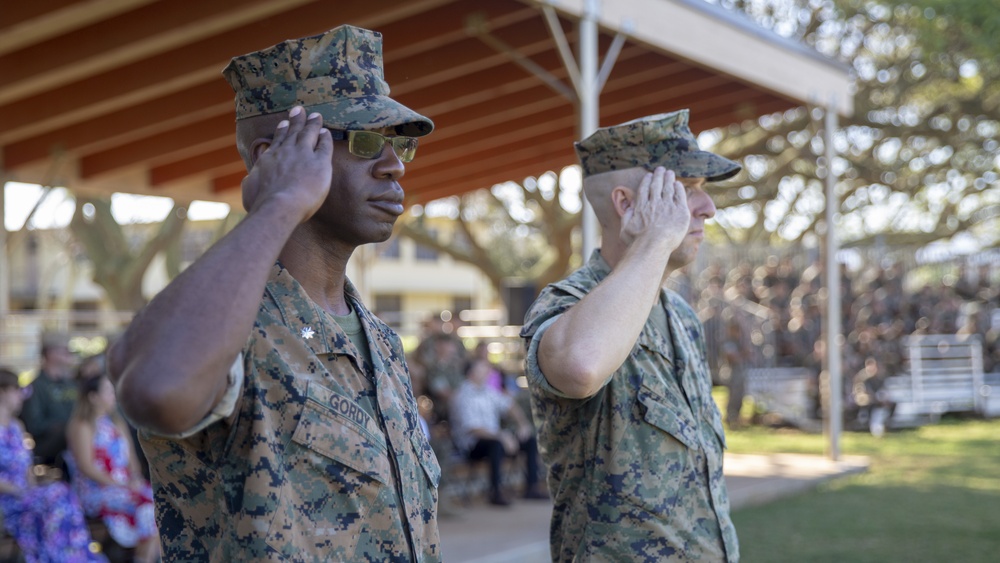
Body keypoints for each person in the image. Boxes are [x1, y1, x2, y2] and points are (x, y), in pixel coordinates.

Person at [107, 25, 441, 561]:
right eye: (364, 140)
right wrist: (279, 203)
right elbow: (156, 389)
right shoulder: (232, 327)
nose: (395, 165)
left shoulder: (378, 341)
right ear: (273, 156)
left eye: (400, 144)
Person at [520, 110, 742, 562]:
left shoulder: (678, 315)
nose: (707, 208)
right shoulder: (569, 303)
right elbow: (580, 365)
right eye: (685, 190)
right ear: (626, 205)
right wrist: (655, 241)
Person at [0, 367, 105, 563]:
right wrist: (20, 490)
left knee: (60, 494)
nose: (22, 397)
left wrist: (31, 487)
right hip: (8, 500)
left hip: (26, 496)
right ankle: (70, 557)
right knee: (59, 495)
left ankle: (71, 556)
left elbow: (26, 467)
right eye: (17, 390)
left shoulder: (16, 427)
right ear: (2, 392)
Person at [65, 370, 159, 563]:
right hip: (96, 491)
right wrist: (120, 485)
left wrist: (134, 478)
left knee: (161, 503)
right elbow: (86, 467)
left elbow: (131, 458)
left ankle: (146, 558)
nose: (113, 395)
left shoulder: (116, 422)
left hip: (124, 487)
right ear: (93, 397)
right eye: (108, 391)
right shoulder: (82, 425)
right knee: (146, 506)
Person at [449, 358, 546, 506]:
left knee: (529, 441)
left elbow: (509, 404)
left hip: (496, 438)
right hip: (472, 445)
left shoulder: (488, 391)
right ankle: (495, 491)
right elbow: (473, 429)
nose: (487, 372)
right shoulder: (463, 395)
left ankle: (532, 487)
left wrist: (523, 425)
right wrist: (501, 436)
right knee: (496, 445)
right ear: (471, 373)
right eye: (482, 368)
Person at [19, 332, 77, 468]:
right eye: (64, 350)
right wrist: (65, 426)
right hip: (50, 445)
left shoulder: (72, 384)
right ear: (50, 353)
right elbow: (35, 426)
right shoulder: (36, 387)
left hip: (76, 439)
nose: (69, 354)